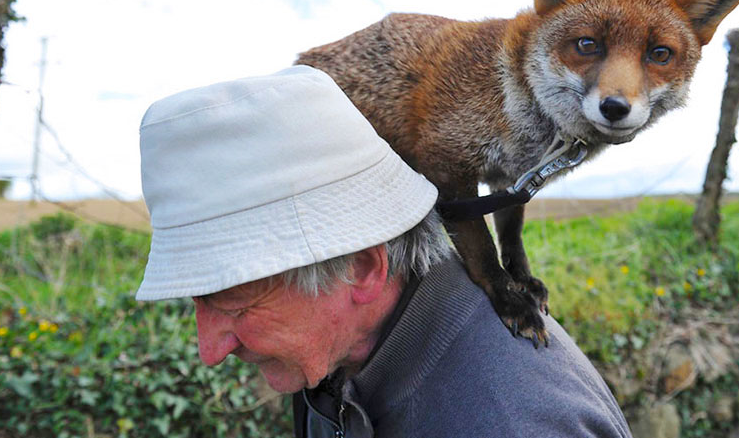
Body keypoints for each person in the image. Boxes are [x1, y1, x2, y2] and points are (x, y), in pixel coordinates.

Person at [136, 65, 633, 437]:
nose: (209, 351)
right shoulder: (342, 352)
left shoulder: (515, 421)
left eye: (237, 303)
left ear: (361, 267)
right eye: (198, 299)